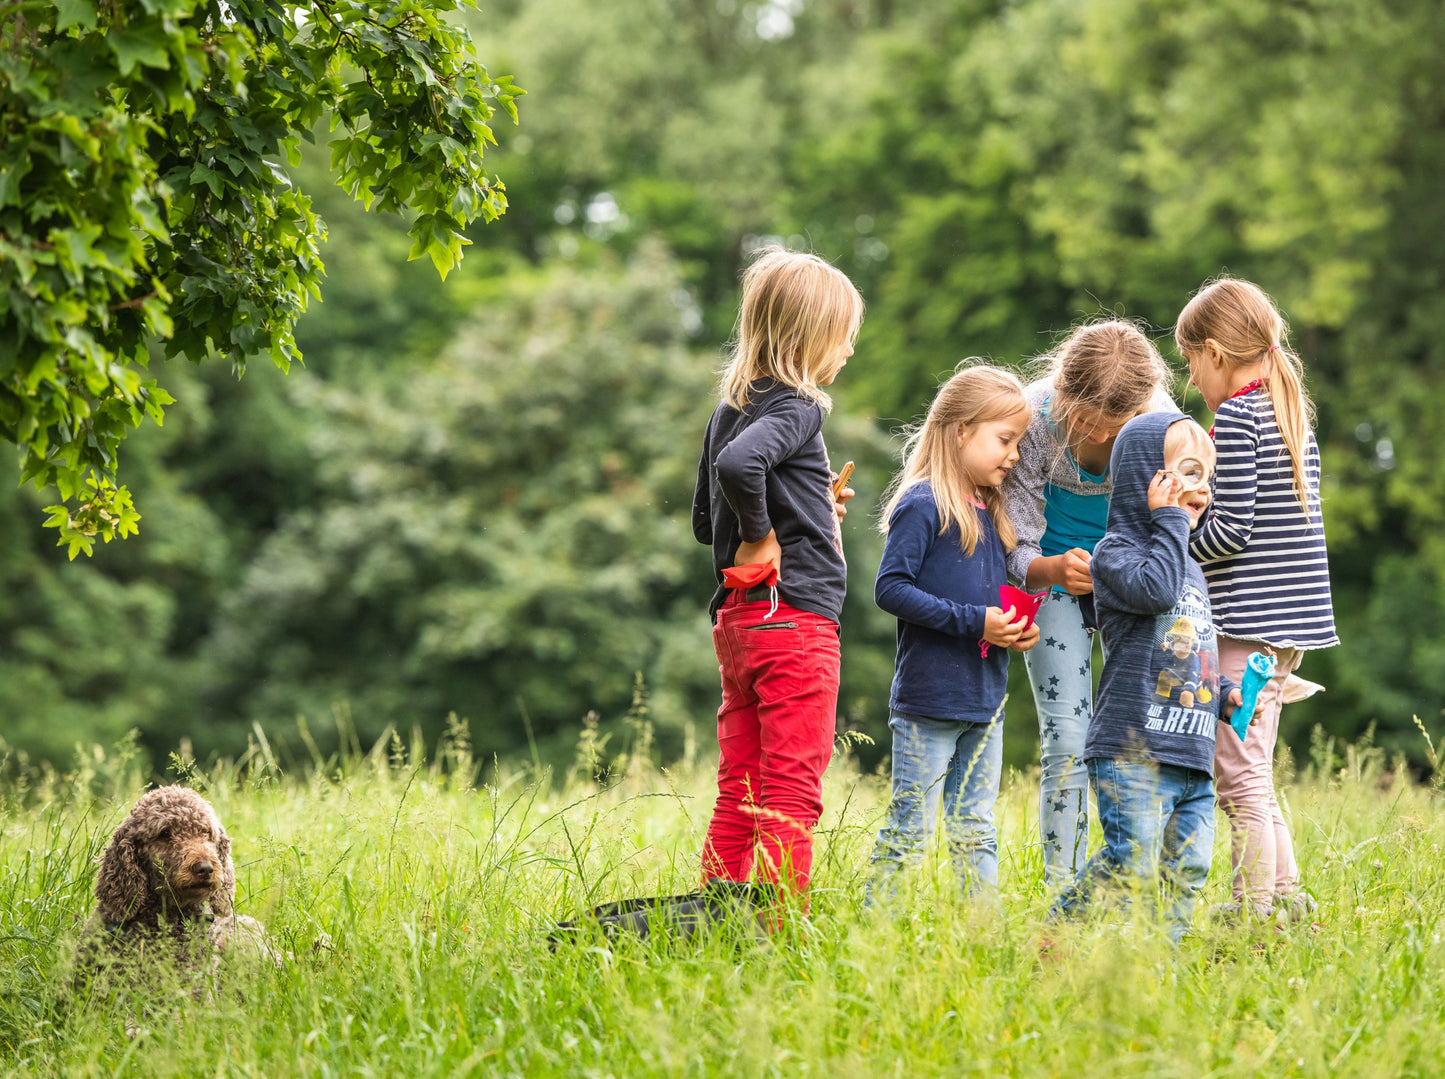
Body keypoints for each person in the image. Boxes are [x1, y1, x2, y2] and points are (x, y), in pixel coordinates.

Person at [691, 247, 864, 898]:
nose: (846, 352)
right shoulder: (800, 405)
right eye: (843, 338)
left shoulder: (729, 408)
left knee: (739, 784)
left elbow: (708, 523)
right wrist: (767, 533)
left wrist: (807, 509)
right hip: (793, 619)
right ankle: (773, 926)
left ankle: (719, 912)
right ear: (813, 336)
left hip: (740, 623)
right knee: (790, 785)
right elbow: (741, 471)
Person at [1177, 277, 1338, 923]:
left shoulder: (1239, 414)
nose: (1192, 381)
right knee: (1255, 771)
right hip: (1286, 627)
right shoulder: (1287, 410)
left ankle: (1250, 911)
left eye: (1190, 365)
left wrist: (1176, 539)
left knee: (1236, 774)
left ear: (1214, 352)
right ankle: (1284, 898)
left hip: (1244, 626)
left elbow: (1230, 530)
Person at [1051, 412, 1243, 942]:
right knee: (1129, 864)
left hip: (1190, 755)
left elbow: (1190, 653)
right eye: (1187, 471)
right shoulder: (1114, 553)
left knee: (1187, 872)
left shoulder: (1190, 567)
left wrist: (1224, 695)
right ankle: (1056, 938)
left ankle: (1164, 967)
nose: (1202, 487)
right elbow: (1155, 594)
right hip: (1133, 748)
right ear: (1144, 478)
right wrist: (1170, 522)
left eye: (1208, 475)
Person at [1001, 321, 1176, 889]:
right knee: (1068, 740)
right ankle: (1064, 889)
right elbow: (1014, 540)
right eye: (1081, 420)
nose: (1091, 435)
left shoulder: (1163, 428)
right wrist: (1050, 569)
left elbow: (1180, 523)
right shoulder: (1029, 420)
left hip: (1134, 585)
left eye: (1109, 429)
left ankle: (1143, 879)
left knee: (1148, 735)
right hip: (1051, 583)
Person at [867, 365, 1040, 899]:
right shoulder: (923, 504)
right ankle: (873, 929)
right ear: (961, 430)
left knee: (976, 828)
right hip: (930, 698)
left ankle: (981, 939)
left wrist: (1011, 629)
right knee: (910, 830)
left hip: (984, 698)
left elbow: (983, 601)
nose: (1013, 455)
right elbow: (890, 589)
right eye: (1004, 440)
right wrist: (975, 622)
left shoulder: (991, 510)